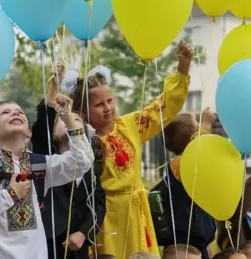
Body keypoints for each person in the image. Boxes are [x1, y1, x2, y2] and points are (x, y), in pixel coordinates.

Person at [69, 40, 194, 257]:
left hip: (138, 213)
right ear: (82, 110)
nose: (108, 107)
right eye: (99, 105)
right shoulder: (81, 142)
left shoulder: (130, 125)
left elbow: (163, 107)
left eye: (110, 100)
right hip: (107, 217)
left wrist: (183, 68)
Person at [0, 100, 94, 259]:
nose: (15, 113)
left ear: (29, 133)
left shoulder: (40, 165)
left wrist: (68, 118)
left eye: (20, 111)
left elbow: (82, 161)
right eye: (5, 112)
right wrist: (9, 195)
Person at [31, 64, 106, 259]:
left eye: (76, 121)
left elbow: (98, 205)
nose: (69, 122)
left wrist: (83, 233)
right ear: (53, 135)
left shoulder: (91, 166)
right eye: (63, 120)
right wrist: (54, 89)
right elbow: (42, 127)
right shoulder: (46, 156)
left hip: (77, 246)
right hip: (48, 241)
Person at [151, 107, 217, 259]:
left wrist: (206, 243)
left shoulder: (186, 165)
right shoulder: (181, 164)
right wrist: (205, 126)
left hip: (197, 244)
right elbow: (198, 153)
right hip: (182, 248)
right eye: (197, 123)